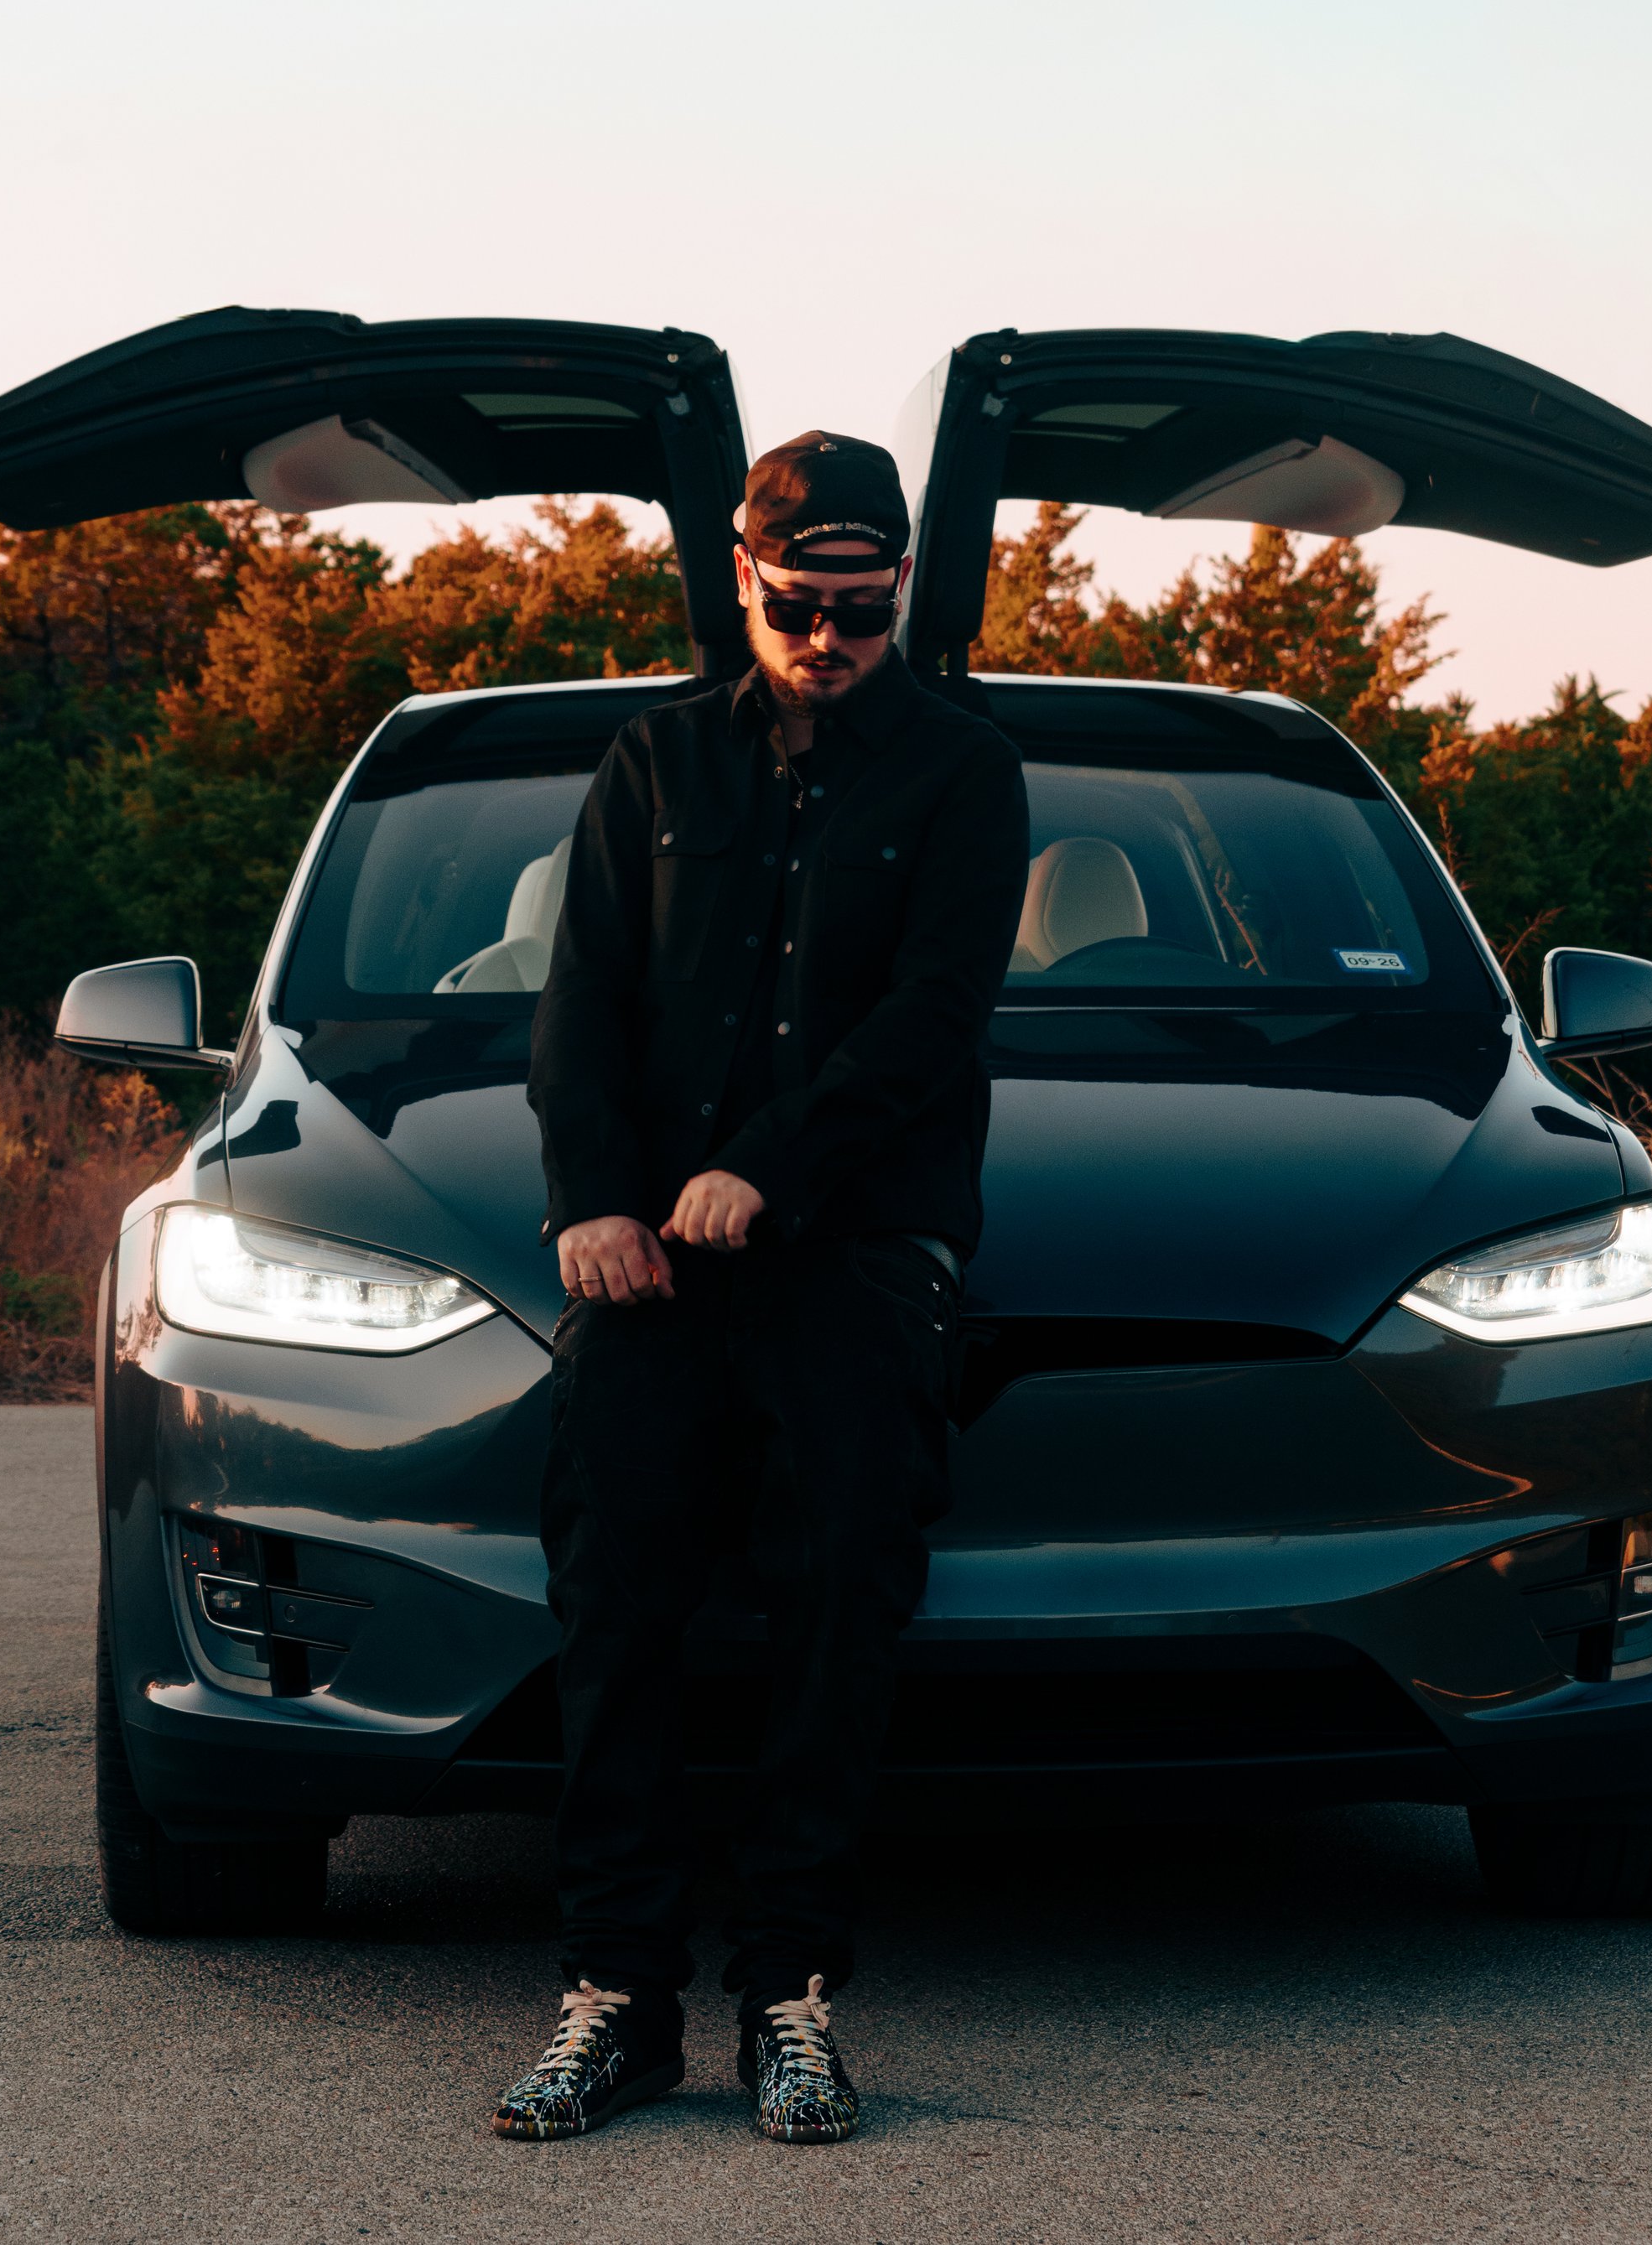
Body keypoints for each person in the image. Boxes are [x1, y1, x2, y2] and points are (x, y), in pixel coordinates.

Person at [494, 429, 1031, 2146]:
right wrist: (594, 1203)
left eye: (862, 615)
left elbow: (937, 1015)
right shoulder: (648, 765)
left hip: (852, 1256)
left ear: (900, 602)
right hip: (645, 1269)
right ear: (744, 581)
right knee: (615, 1614)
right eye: (800, 606)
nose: (827, 643)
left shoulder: (961, 771)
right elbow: (578, 1006)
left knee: (830, 1622)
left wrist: (771, 1167)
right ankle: (616, 1998)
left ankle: (789, 2000)